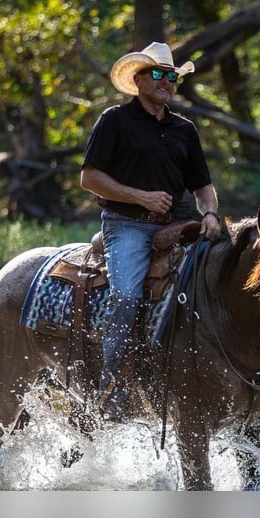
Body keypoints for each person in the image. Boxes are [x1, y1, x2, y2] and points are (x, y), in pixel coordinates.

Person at [80, 41, 220, 421]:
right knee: (125, 296)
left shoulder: (184, 129)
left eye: (171, 75)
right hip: (127, 226)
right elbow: (89, 178)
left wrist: (210, 215)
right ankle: (112, 390)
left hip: (182, 224)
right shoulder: (114, 121)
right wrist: (141, 197)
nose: (166, 81)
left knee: (219, 282)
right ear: (138, 79)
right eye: (157, 74)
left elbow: (203, 188)